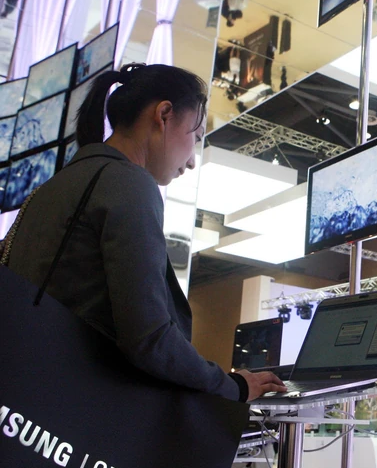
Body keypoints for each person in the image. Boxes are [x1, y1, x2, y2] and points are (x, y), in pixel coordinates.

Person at [6, 63, 287, 403]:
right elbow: (148, 338)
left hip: (24, 390)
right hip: (73, 404)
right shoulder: (127, 183)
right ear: (164, 115)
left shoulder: (55, 187)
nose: (192, 160)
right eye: (196, 137)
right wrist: (233, 386)